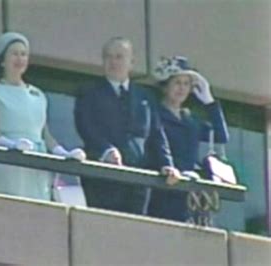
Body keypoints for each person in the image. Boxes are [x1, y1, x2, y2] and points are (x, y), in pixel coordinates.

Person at [74, 37, 180, 215]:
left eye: (119, 57)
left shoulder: (145, 97)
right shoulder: (89, 93)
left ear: (131, 62)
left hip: (137, 183)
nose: (113, 62)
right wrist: (106, 150)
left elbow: (157, 135)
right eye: (108, 57)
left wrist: (167, 164)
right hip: (102, 181)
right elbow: (86, 127)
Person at [0, 32, 86, 201]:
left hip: (36, 161)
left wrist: (63, 153)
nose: (20, 58)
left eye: (23, 54)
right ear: (2, 60)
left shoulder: (38, 94)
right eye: (14, 53)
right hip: (9, 161)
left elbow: (45, 135)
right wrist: (11, 145)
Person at [148, 56, 229, 222]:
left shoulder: (190, 120)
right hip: (163, 189)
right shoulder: (154, 114)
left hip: (188, 193)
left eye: (186, 84)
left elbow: (221, 136)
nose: (182, 89)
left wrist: (209, 102)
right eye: (177, 83)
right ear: (165, 86)